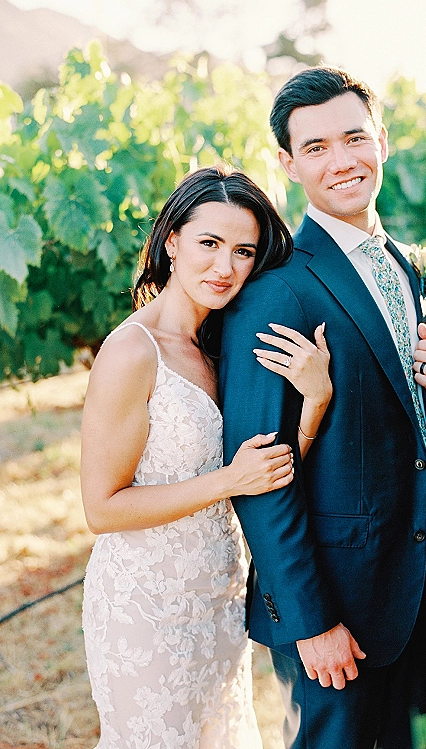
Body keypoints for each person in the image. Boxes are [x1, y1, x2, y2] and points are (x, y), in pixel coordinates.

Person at [219, 67, 426, 748]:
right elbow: (260, 478)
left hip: (422, 589)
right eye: (317, 147)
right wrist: (309, 621)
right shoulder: (279, 293)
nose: (342, 161)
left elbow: (411, 417)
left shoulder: (406, 266)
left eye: (354, 138)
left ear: (382, 141)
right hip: (337, 611)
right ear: (289, 163)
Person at [80, 165, 333, 749]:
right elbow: (102, 508)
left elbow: (272, 469)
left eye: (243, 251)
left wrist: (316, 399)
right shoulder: (131, 352)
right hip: (145, 609)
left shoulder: (224, 343)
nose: (225, 268)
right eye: (209, 244)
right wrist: (227, 480)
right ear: (172, 241)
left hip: (218, 600)